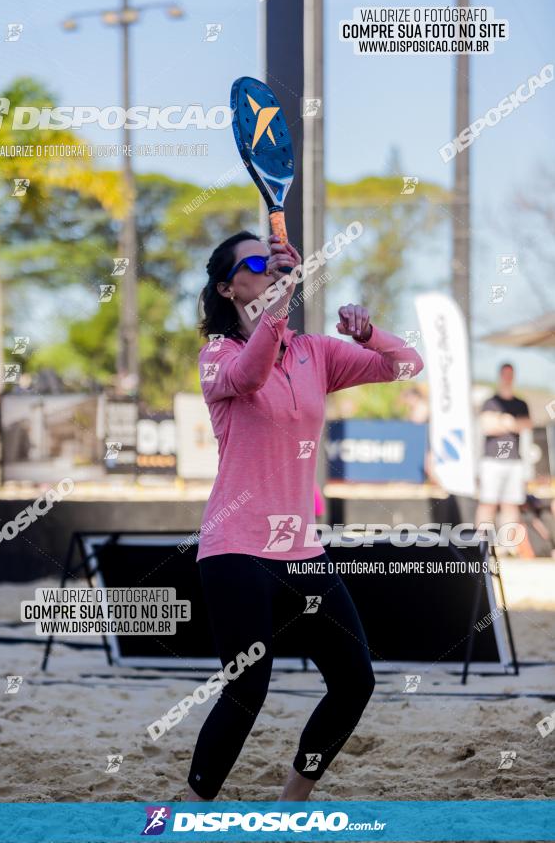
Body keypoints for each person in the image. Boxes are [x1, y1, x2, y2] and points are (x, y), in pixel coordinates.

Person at [186, 231, 424, 801]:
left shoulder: (315, 352)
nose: (269, 270)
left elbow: (407, 365)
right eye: (257, 264)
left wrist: (368, 333)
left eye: (274, 265)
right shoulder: (217, 357)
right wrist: (283, 297)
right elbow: (251, 373)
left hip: (301, 551)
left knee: (354, 682)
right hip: (235, 548)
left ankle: (293, 802)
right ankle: (189, 811)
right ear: (227, 286)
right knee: (248, 688)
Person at [475, 363, 532, 554]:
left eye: (511, 374)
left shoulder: (521, 403)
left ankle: (508, 548)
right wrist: (508, 423)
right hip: (492, 460)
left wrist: (504, 422)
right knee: (488, 503)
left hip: (513, 461)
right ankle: (480, 547)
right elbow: (486, 426)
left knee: (511, 504)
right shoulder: (489, 401)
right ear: (500, 375)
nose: (508, 377)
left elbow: (526, 424)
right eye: (505, 374)